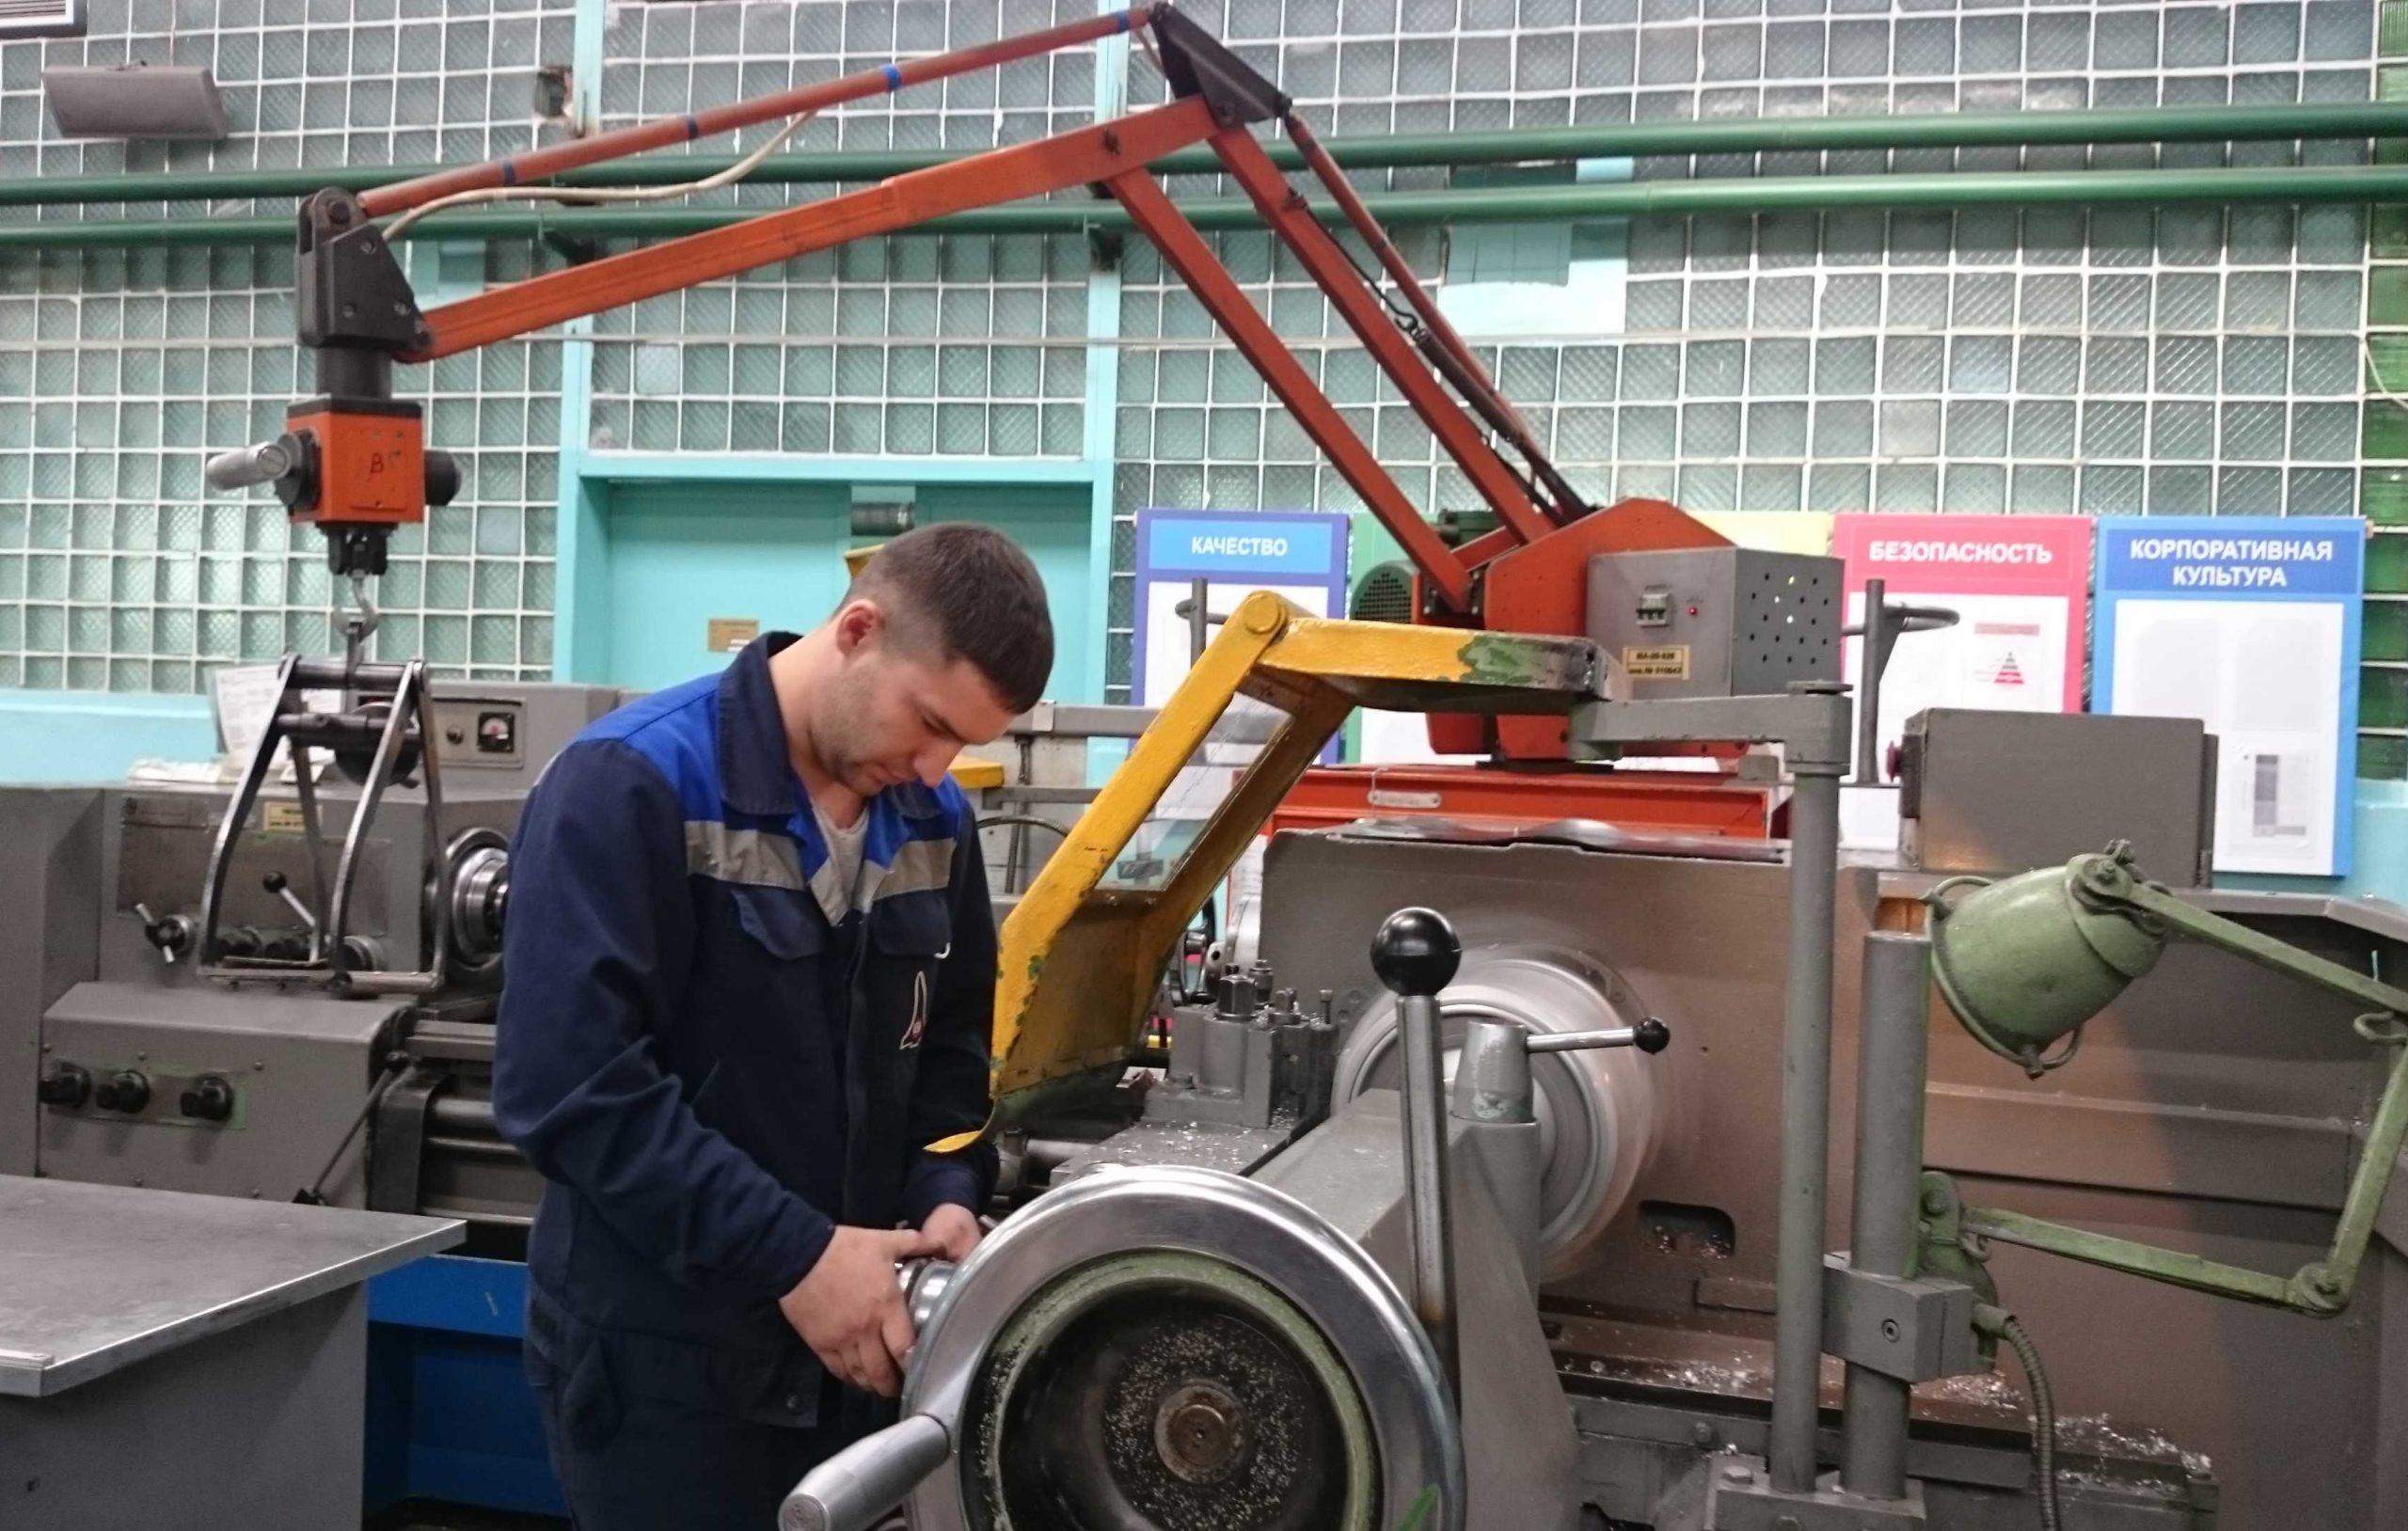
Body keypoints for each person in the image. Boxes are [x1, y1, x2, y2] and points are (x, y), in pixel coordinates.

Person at [493, 523, 1053, 1529]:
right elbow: (570, 1090)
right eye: (930, 723)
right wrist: (793, 1254)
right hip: (667, 1378)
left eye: (965, 745)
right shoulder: (631, 783)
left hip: (863, 1359)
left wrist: (946, 1191)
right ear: (858, 630)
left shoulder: (933, 822)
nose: (937, 767)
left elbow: (952, 1057)